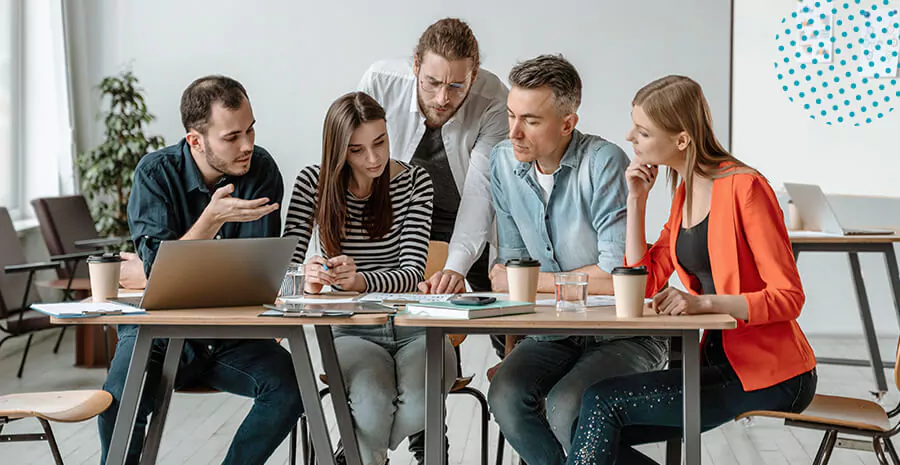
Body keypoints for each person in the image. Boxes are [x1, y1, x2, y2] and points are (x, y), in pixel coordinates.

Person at [566, 75, 818, 465]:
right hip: (715, 364)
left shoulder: (746, 188)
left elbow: (789, 298)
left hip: (770, 374)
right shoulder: (686, 190)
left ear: (681, 139)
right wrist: (637, 202)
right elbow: (646, 282)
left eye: (643, 130)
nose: (630, 136)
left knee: (602, 404)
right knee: (584, 418)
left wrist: (701, 304)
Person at [98, 76, 303, 465]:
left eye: (251, 129)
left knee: (291, 388)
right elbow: (162, 276)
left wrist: (165, 268)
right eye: (232, 137)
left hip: (229, 336)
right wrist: (209, 224)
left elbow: (253, 276)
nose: (247, 145)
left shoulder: (260, 171)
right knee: (117, 403)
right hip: (155, 332)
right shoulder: (154, 174)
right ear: (195, 140)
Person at [485, 55, 668, 465]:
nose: (514, 131)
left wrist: (533, 281)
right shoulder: (502, 161)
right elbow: (511, 270)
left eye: (530, 120)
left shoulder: (603, 162)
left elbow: (614, 277)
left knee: (569, 404)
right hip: (553, 332)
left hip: (622, 334)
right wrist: (522, 280)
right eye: (511, 115)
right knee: (506, 394)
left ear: (567, 123)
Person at [282, 91, 456, 465]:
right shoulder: (313, 183)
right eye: (357, 150)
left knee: (419, 399)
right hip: (351, 331)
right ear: (338, 150)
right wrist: (308, 277)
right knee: (374, 405)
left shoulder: (414, 182)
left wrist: (360, 282)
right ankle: (366, 450)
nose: (374, 158)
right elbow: (283, 275)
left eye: (380, 142)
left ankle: (355, 451)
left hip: (417, 326)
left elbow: (411, 274)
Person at [358, 17, 509, 295]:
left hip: (462, 211)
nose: (442, 99)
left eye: (455, 86)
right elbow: (356, 161)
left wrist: (455, 268)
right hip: (401, 211)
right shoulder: (381, 81)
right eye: (432, 82)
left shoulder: (495, 101)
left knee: (496, 306)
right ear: (416, 65)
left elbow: (480, 190)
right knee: (394, 300)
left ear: (474, 76)